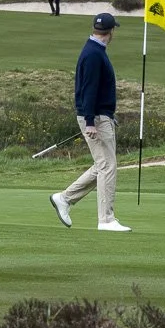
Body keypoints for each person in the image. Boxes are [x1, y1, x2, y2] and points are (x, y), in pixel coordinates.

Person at [50, 12, 129, 232]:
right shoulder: (94, 54)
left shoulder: (94, 51)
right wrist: (90, 121)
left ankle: (64, 199)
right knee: (107, 166)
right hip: (95, 118)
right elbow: (89, 90)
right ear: (111, 32)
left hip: (100, 116)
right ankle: (106, 219)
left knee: (102, 166)